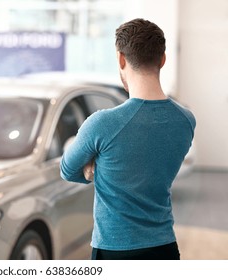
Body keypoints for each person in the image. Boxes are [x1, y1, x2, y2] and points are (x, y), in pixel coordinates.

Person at [60, 18, 196, 260]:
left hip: (114, 250)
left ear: (121, 59)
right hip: (165, 248)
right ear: (162, 60)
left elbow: (68, 170)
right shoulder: (186, 120)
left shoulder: (102, 124)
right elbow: (149, 164)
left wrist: (96, 165)